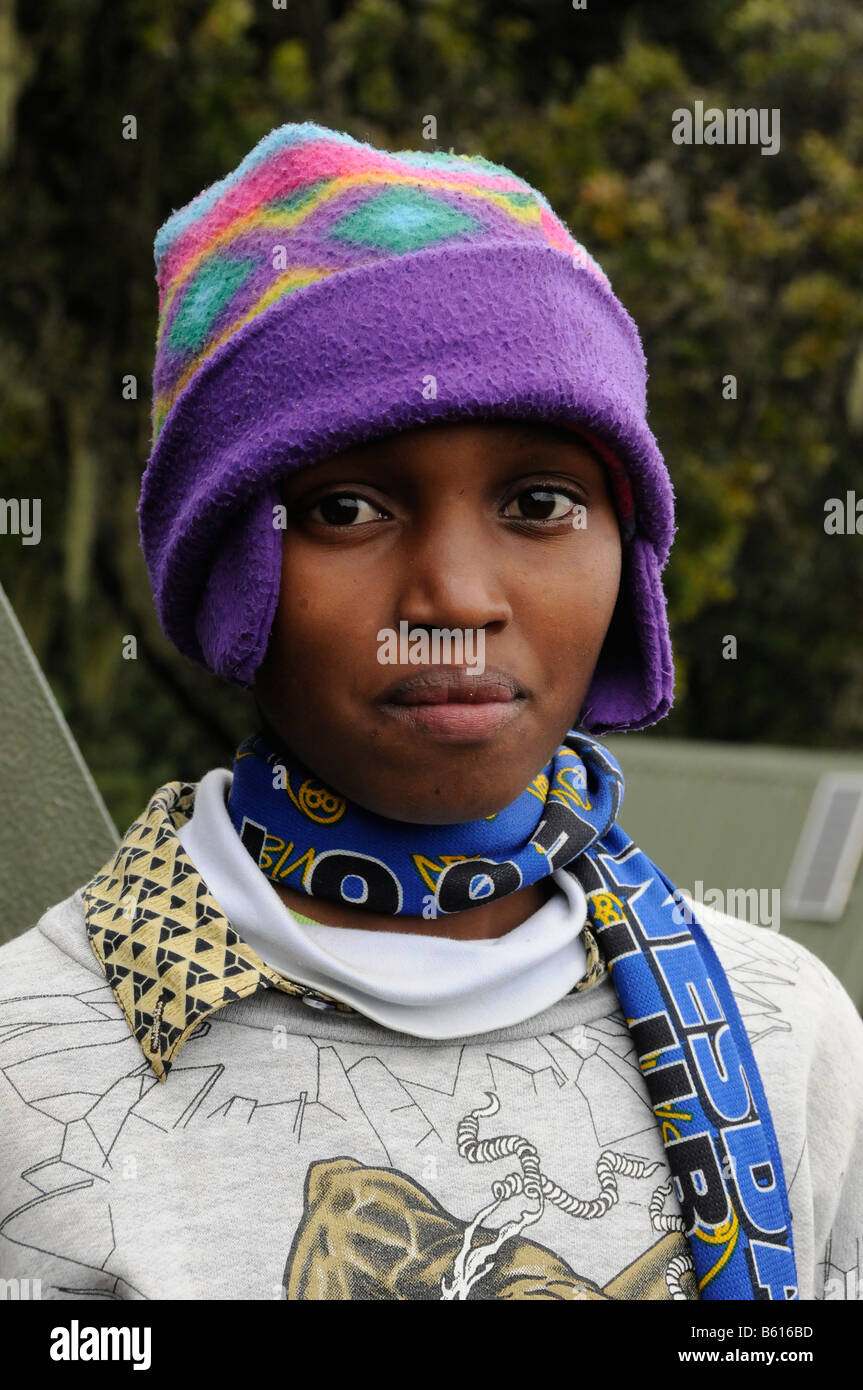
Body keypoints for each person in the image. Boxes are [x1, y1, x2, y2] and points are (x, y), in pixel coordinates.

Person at [1, 120, 860, 1303]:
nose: (455, 597)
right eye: (347, 507)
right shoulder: (34, 1067)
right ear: (230, 575)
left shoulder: (783, 1038)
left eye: (540, 499)